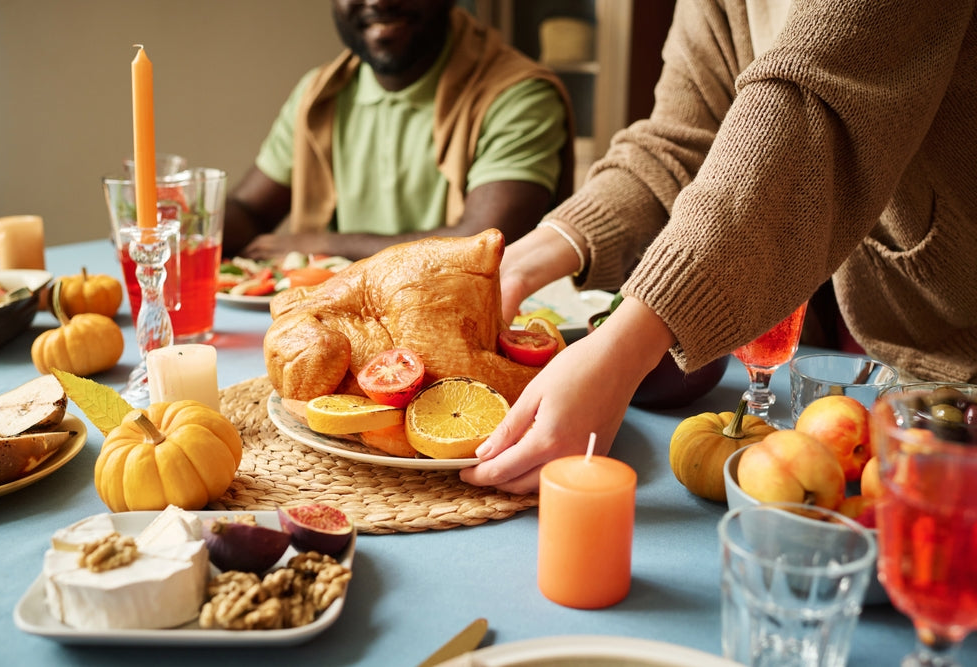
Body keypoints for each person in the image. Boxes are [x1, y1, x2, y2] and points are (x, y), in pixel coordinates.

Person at [459, 0, 977, 494]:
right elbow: (680, 140)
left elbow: (809, 106)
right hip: (870, 353)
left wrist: (620, 353)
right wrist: (519, 265)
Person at [223, 0, 575, 261]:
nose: (378, 2)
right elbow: (250, 210)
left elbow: (484, 244)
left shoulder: (518, 95)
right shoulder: (319, 94)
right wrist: (184, 221)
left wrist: (324, 245)